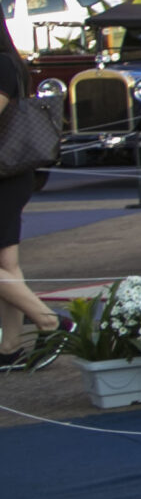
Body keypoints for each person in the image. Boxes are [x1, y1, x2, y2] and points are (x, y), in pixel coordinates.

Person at [0, 31, 62, 370]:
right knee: (7, 265)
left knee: (5, 265)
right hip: (8, 175)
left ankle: (50, 321)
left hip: (6, 175)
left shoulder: (3, 64)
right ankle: (9, 347)